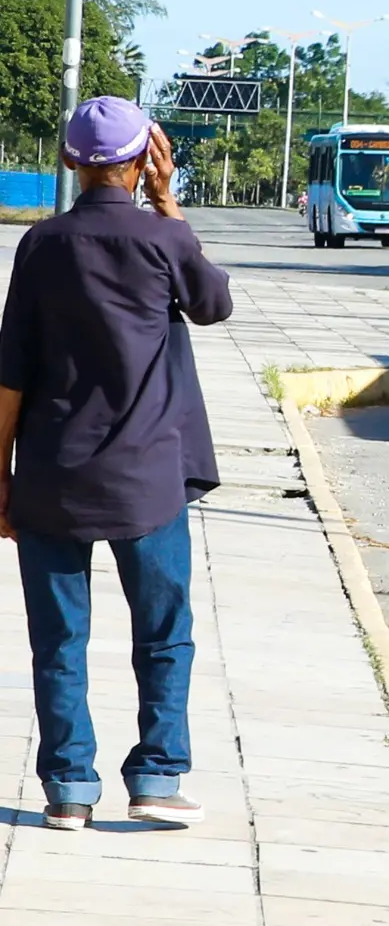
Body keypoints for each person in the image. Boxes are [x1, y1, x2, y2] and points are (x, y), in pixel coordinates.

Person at [0, 96, 233, 831]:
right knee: (163, 632)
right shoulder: (162, 239)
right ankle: (156, 779)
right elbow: (214, 304)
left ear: (71, 161)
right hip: (149, 480)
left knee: (58, 641)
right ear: (144, 160)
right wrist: (168, 207)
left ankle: (69, 791)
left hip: (49, 476)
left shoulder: (40, 247)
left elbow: (10, 377)